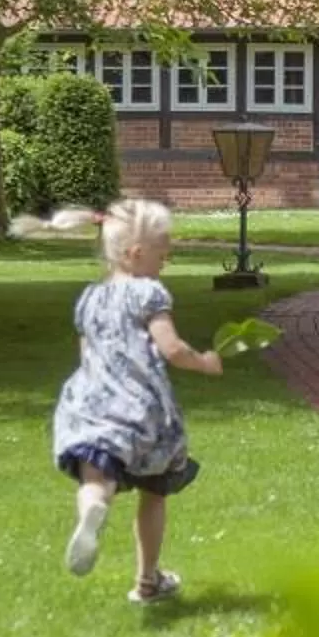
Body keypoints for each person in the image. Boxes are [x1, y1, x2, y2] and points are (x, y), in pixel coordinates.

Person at [52, 199, 221, 603]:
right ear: (136, 254)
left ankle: (93, 506)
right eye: (163, 252)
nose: (168, 258)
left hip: (91, 402)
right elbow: (172, 349)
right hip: (143, 408)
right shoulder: (149, 293)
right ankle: (147, 582)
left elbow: (85, 355)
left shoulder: (90, 297)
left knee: (97, 475)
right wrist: (206, 362)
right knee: (154, 490)